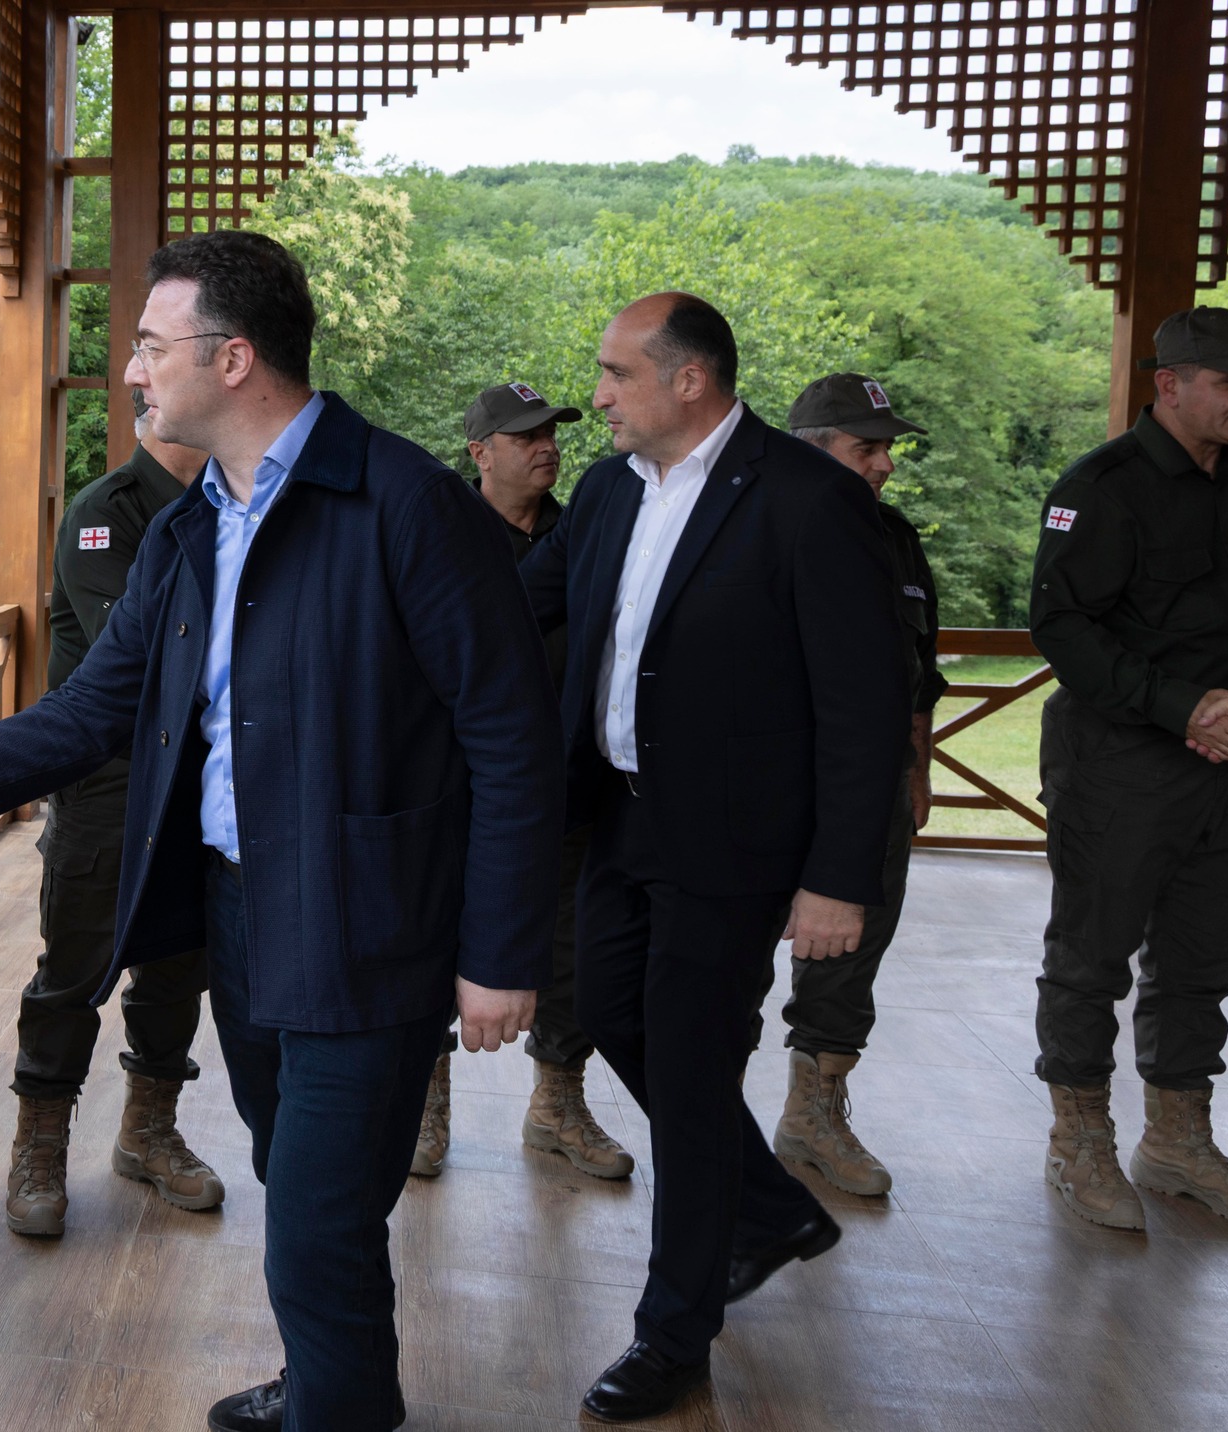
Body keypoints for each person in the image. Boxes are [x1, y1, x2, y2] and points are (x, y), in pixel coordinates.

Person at [0, 229, 563, 1432]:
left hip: (368, 925)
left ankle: (335, 1407)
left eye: (150, 346)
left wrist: (503, 951)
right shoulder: (187, 529)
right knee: (297, 1180)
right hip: (238, 916)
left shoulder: (409, 507)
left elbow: (512, 743)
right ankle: (330, 1381)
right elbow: (89, 711)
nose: (131, 371)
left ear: (233, 357)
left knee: (315, 1214)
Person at [520, 293, 907, 1422]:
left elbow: (863, 708)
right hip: (618, 818)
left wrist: (836, 878)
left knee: (689, 1076)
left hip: (736, 843)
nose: (596, 396)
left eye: (615, 374)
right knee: (610, 1014)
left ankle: (673, 1332)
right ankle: (770, 1208)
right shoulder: (607, 493)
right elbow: (515, 602)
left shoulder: (810, 500)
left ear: (688, 380)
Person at [1028, 305, 1228, 1234]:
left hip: (1224, 768)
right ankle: (1079, 1141)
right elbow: (1062, 628)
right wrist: (1182, 709)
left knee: (1202, 958)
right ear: (1170, 385)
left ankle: (1178, 1143)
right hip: (1120, 761)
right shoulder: (1102, 486)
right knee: (1090, 959)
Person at [5, 390, 220, 1238]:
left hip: (195, 780)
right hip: (109, 782)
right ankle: (39, 1145)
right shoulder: (107, 514)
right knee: (75, 969)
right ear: (156, 415)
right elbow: (149, 655)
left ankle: (148, 1131)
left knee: (178, 966)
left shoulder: (232, 501)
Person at [410, 382, 633, 1183]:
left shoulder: (587, 532)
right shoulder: (437, 536)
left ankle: (557, 1105)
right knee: (429, 937)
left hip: (567, 785)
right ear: (480, 452)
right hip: (454, 787)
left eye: (552, 433)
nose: (547, 447)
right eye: (526, 436)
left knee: (571, 949)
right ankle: (422, 1103)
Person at [765, 373, 948, 1196]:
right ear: (811, 450)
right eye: (867, 448)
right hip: (770, 782)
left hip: (872, 787)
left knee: (851, 951)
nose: (885, 465)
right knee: (724, 962)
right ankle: (706, 1131)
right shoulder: (756, 525)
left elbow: (919, 671)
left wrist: (919, 767)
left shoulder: (896, 538)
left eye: (889, 449)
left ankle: (814, 1116)